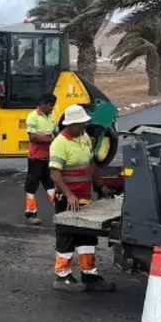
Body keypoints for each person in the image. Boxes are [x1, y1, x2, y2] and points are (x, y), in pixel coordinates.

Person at [48, 104, 115, 293]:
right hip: (67, 199)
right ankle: (62, 276)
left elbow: (91, 163)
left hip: (85, 198)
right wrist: (69, 195)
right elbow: (55, 173)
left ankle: (89, 275)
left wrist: (100, 185)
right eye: (80, 124)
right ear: (71, 125)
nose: (84, 127)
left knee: (87, 237)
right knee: (66, 236)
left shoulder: (85, 138)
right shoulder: (59, 143)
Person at [23, 93, 58, 224]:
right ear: (42, 104)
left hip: (49, 157)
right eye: (50, 105)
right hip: (35, 159)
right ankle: (30, 213)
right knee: (32, 186)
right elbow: (33, 137)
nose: (52, 108)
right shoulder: (33, 117)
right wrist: (52, 140)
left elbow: (55, 132)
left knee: (51, 185)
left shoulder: (52, 116)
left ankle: (60, 212)